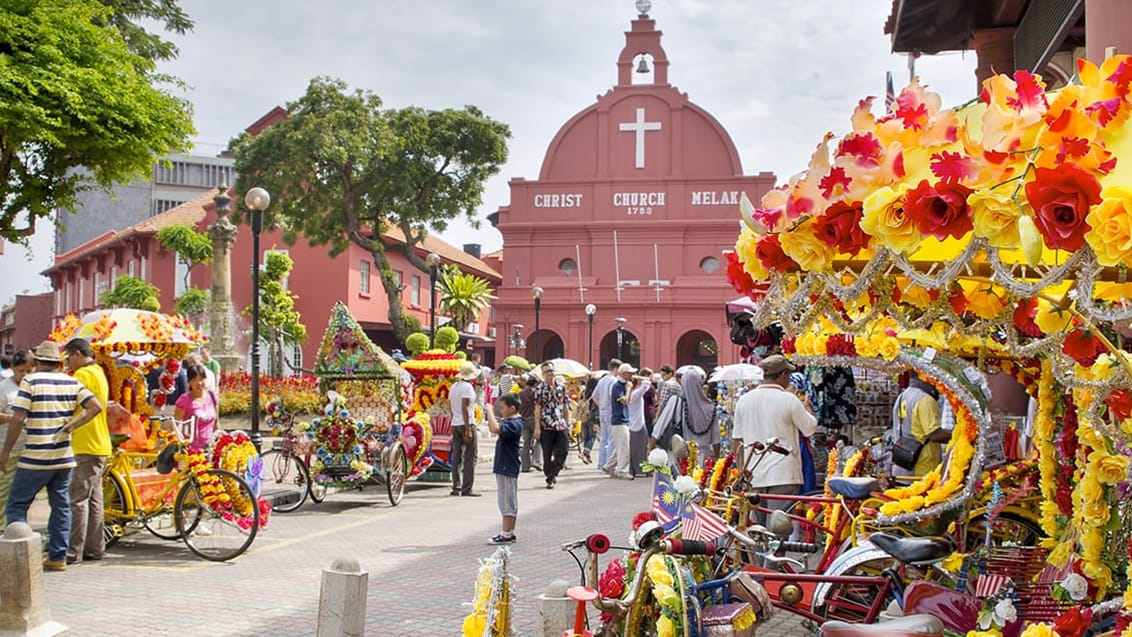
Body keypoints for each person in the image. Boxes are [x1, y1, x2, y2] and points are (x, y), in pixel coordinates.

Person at [0, 341, 102, 572]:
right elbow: (95, 406)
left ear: (36, 362)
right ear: (58, 362)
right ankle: (58, 556)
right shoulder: (72, 381)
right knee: (61, 506)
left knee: (16, 505)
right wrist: (74, 424)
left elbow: (17, 419)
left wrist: (6, 451)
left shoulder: (30, 381)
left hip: (35, 456)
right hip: (63, 457)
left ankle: (18, 557)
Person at [731, 355, 817, 521]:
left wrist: (742, 471)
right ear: (783, 375)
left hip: (754, 473)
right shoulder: (789, 399)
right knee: (778, 527)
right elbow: (810, 428)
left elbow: (737, 442)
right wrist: (808, 409)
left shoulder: (744, 400)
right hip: (783, 473)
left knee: (758, 528)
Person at [63, 338, 111, 565]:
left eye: (68, 358)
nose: (68, 363)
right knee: (94, 500)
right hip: (99, 443)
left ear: (77, 354)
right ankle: (95, 548)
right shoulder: (99, 372)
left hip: (85, 443)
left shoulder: (82, 375)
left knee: (78, 500)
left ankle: (73, 551)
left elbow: (71, 406)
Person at [890, 371, 950, 478]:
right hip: (921, 468)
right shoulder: (925, 399)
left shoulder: (903, 395)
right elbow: (934, 435)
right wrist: (960, 435)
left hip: (902, 465)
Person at [0, 350, 33, 531]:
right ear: (13, 369)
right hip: (7, 445)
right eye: (21, 371)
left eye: (28, 371)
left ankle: (17, 525)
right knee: (4, 489)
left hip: (29, 447)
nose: (24, 375)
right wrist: (9, 418)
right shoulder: (4, 389)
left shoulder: (32, 386)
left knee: (23, 491)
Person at [486, 394, 522, 545]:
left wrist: (489, 411)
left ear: (512, 408)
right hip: (505, 466)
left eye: (502, 408)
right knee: (508, 501)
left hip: (507, 467)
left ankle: (506, 534)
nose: (500, 411)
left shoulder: (514, 424)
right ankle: (509, 533)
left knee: (506, 502)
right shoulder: (511, 421)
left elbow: (495, 428)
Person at [533, 362, 570, 489]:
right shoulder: (540, 389)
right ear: (543, 374)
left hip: (560, 423)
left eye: (552, 371)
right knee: (547, 454)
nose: (550, 373)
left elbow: (565, 405)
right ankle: (550, 477)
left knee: (564, 450)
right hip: (546, 424)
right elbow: (537, 408)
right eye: (547, 371)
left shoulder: (561, 387)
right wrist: (537, 427)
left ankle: (554, 471)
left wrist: (568, 421)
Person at [448, 362, 480, 497]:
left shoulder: (454, 387)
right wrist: (467, 428)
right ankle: (467, 488)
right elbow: (465, 407)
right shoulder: (467, 388)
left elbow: (450, 406)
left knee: (456, 456)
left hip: (455, 423)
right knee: (470, 456)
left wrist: (454, 419)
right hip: (466, 422)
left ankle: (456, 486)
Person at [173, 364, 220, 453]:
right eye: (195, 380)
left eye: (201, 379)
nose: (199, 383)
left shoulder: (212, 396)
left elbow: (216, 422)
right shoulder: (184, 400)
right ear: (189, 382)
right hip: (192, 451)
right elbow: (176, 425)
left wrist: (218, 443)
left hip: (211, 448)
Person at [602, 363, 635, 479]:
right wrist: (629, 389)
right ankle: (622, 470)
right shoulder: (617, 386)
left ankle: (608, 466)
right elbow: (624, 401)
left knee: (619, 446)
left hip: (622, 420)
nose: (631, 374)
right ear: (623, 373)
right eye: (629, 373)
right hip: (619, 420)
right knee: (624, 447)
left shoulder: (623, 385)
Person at [681, 367, 721, 462]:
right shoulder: (710, 407)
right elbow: (716, 437)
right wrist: (717, 457)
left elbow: (659, 430)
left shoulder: (678, 404)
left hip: (682, 456)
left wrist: (650, 448)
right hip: (704, 457)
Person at [593, 358, 621, 469]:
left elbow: (594, 396)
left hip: (603, 411)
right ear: (616, 368)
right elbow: (611, 395)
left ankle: (601, 463)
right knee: (612, 439)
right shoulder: (613, 381)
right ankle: (608, 464)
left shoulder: (602, 380)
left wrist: (601, 405)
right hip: (611, 411)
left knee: (603, 438)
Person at [627, 370, 652, 477]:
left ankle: (634, 469)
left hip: (633, 422)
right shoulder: (636, 394)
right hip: (638, 423)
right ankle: (639, 470)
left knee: (634, 448)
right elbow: (648, 383)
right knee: (640, 448)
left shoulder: (630, 393)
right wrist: (640, 377)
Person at [518, 375, 540, 473]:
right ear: (535, 384)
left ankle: (525, 466)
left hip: (523, 419)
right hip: (534, 419)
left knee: (526, 443)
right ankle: (536, 461)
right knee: (539, 441)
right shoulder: (536, 393)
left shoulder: (520, 394)